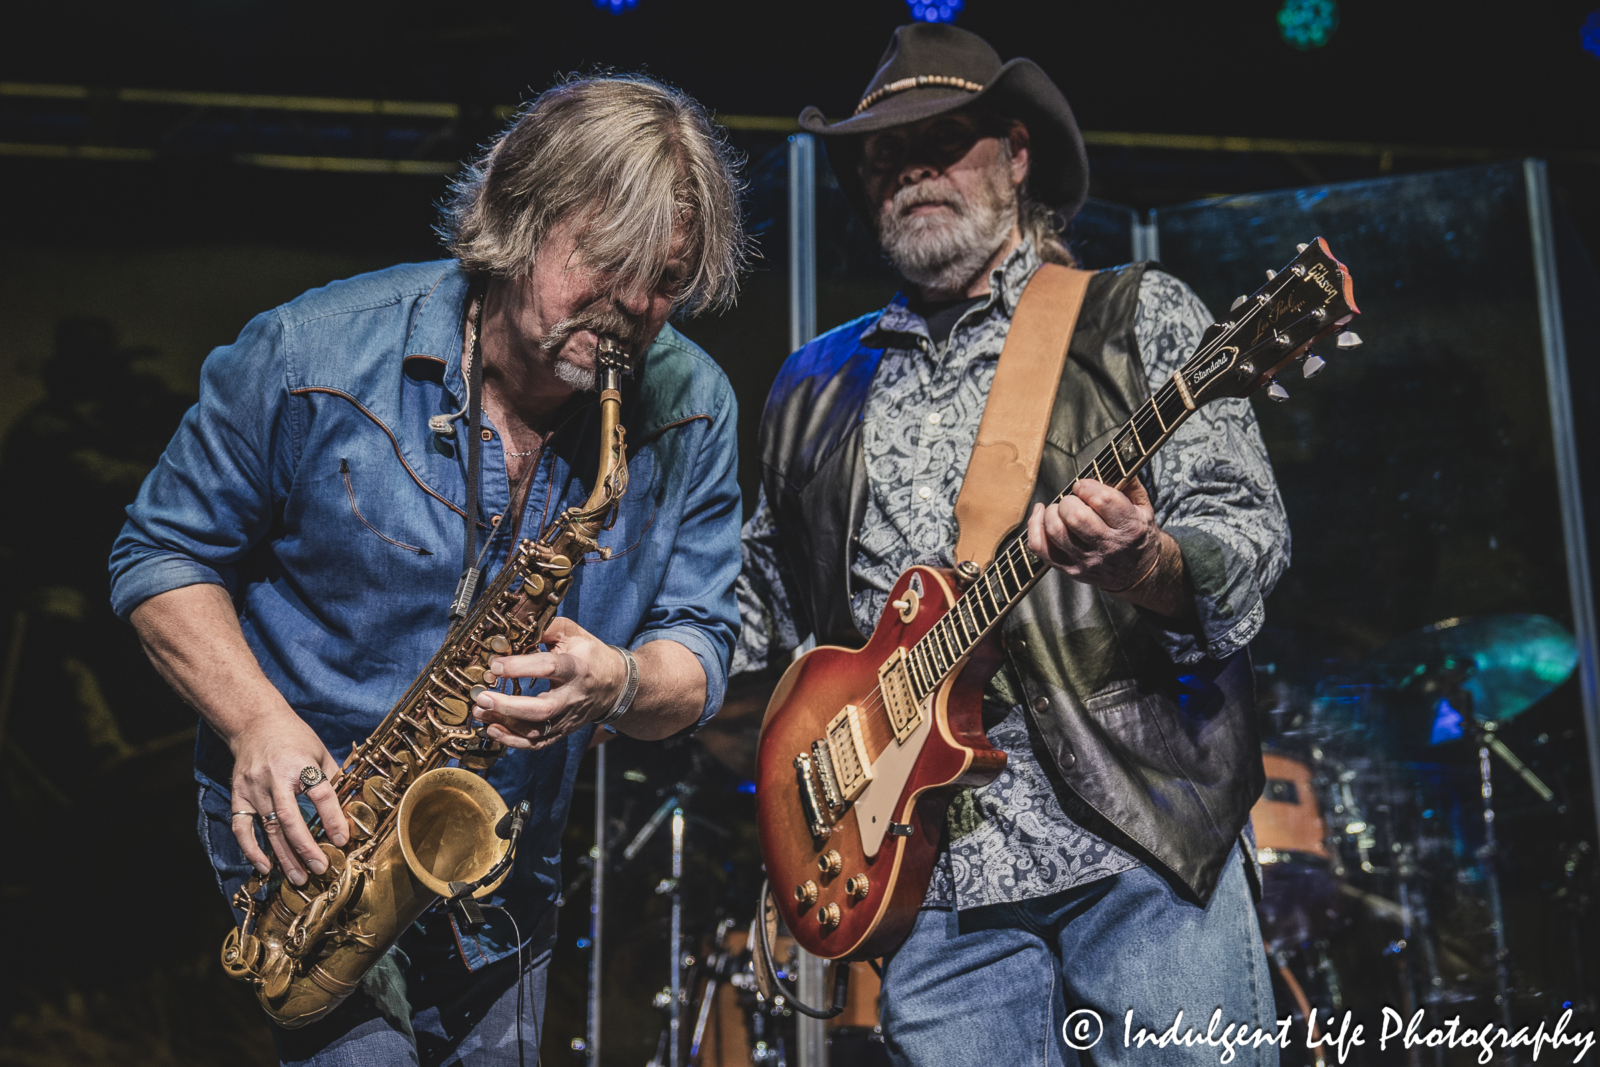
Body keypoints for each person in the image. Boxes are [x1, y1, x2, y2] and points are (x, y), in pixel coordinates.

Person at [110, 74, 747, 1065]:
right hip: (310, 842)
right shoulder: (308, 353)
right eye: (606, 262)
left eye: (662, 282)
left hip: (500, 864)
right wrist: (257, 720)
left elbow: (703, 647)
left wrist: (618, 679)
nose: (631, 305)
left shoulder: (691, 404)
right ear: (517, 215)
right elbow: (159, 554)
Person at [734, 25, 1289, 1067]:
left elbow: (1247, 541)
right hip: (926, 881)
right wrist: (631, 663)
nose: (911, 173)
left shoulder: (1136, 316)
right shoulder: (811, 383)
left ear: (1016, 155)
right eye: (885, 156)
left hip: (1138, 840)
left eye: (942, 142)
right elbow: (759, 606)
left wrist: (1144, 560)